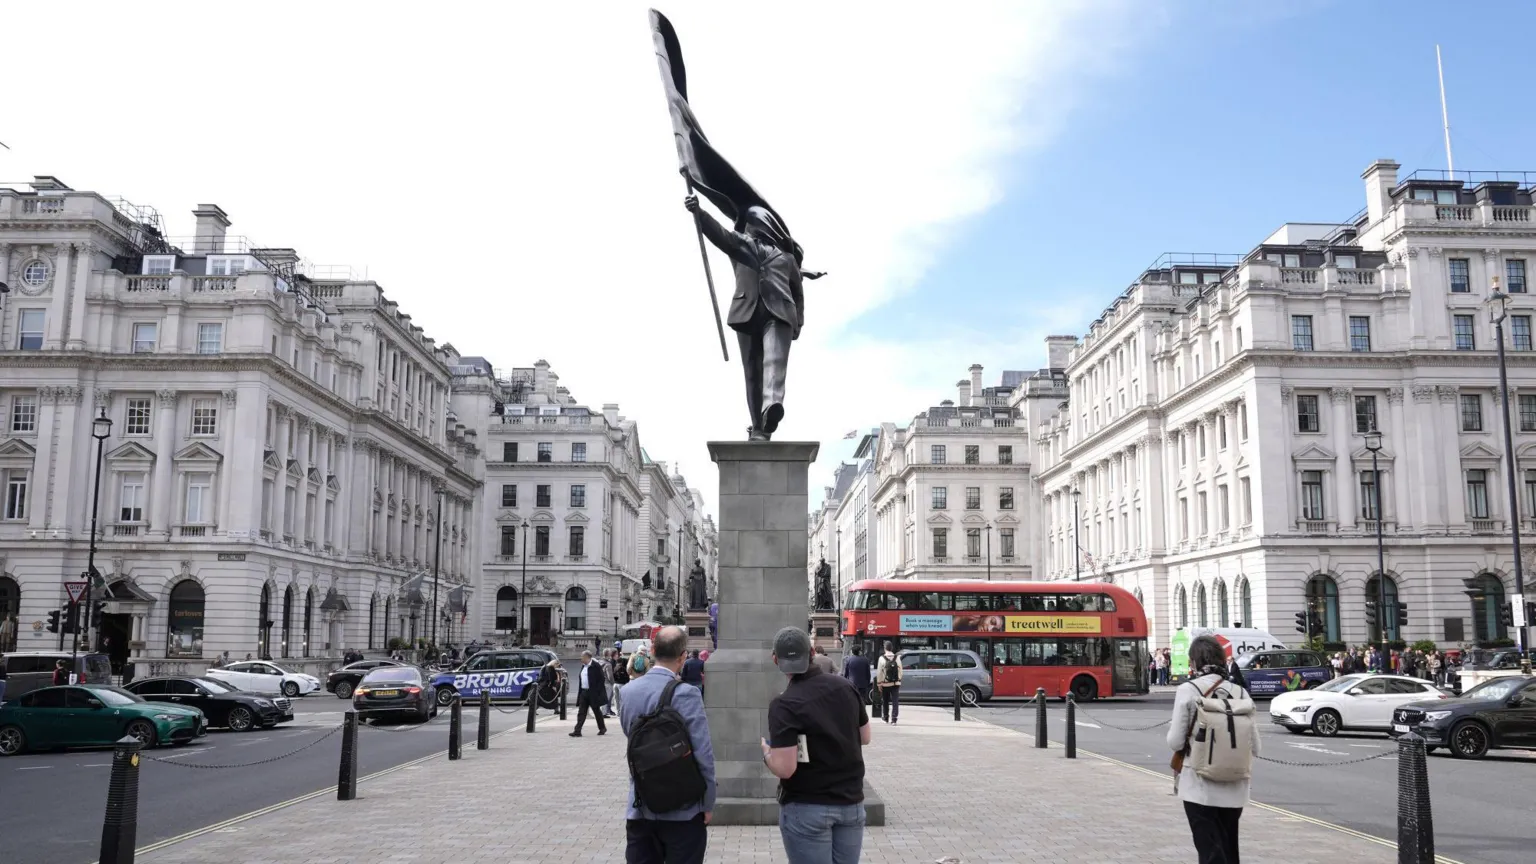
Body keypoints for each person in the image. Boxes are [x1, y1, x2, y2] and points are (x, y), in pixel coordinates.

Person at [761, 627, 871, 864]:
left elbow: (785, 768)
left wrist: (767, 754)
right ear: (811, 652)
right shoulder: (845, 687)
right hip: (851, 802)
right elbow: (865, 736)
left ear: (775, 659)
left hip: (808, 805)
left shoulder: (784, 704)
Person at [619, 625, 715, 864]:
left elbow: (630, 739)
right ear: (683, 656)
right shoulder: (688, 694)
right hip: (683, 809)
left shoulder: (628, 692)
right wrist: (708, 802)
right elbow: (703, 754)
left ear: (652, 650)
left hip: (641, 805)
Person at [1168, 635, 1260, 864]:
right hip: (1235, 785)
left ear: (1194, 662)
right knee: (1229, 851)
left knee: (1209, 852)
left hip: (1199, 785)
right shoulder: (1241, 693)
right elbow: (1256, 747)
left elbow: (1176, 742)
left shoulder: (1188, 690)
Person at [570, 650, 609, 737]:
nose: (581, 658)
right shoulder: (583, 666)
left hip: (593, 693)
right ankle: (577, 731)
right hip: (584, 692)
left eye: (582, 657)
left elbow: (601, 679)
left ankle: (602, 728)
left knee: (596, 711)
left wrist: (597, 691)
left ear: (587, 657)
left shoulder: (596, 666)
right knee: (581, 712)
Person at [874, 642, 901, 724]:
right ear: (892, 648)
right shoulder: (897, 657)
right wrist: (898, 680)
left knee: (885, 701)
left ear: (885, 648)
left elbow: (879, 672)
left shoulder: (881, 658)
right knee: (895, 701)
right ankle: (894, 719)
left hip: (885, 683)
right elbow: (900, 670)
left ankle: (886, 717)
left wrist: (879, 684)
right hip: (895, 683)